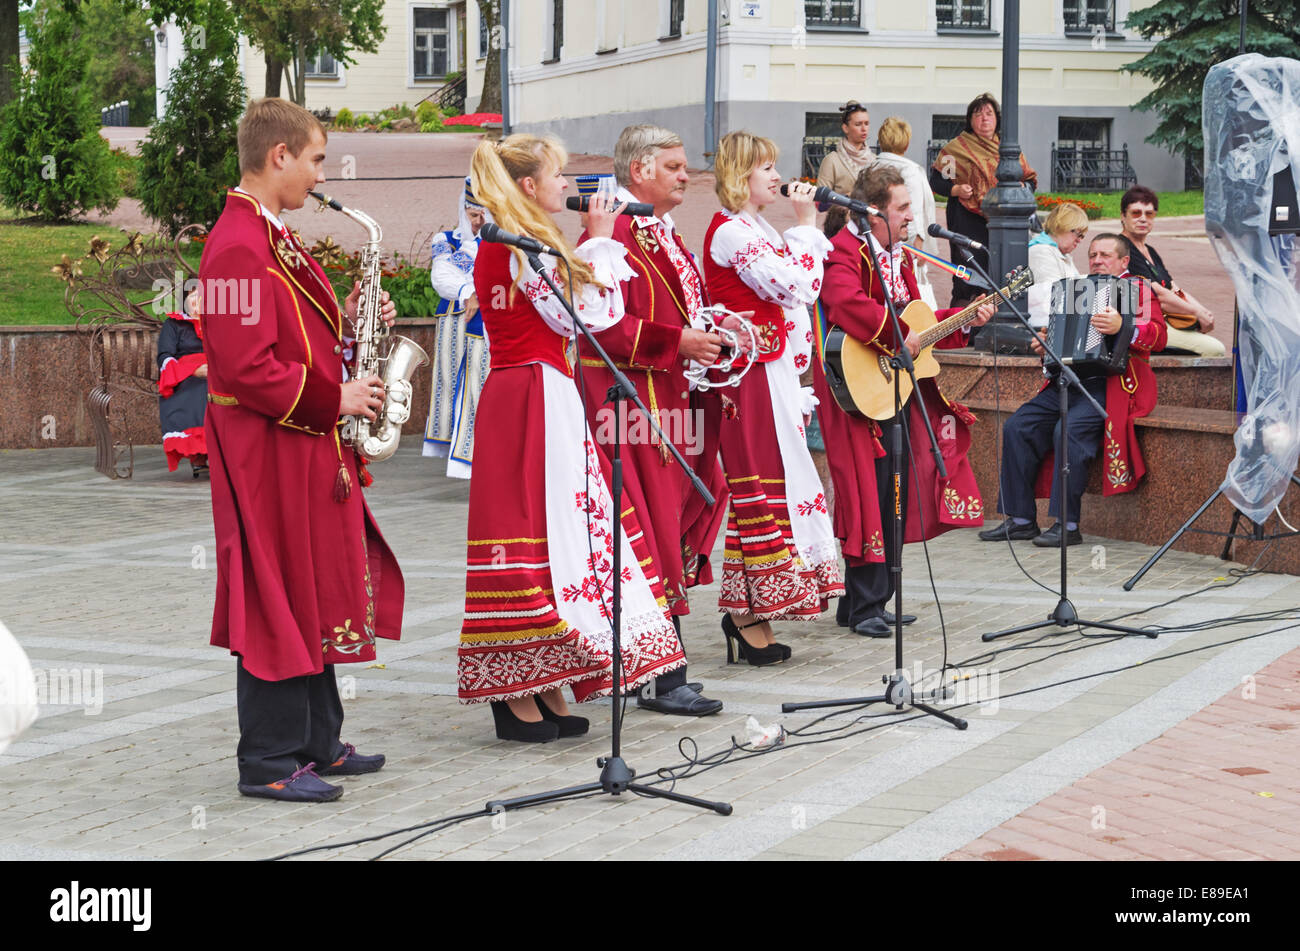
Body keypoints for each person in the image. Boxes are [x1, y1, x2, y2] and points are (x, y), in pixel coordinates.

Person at [200, 98, 404, 803]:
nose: (322, 175)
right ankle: (268, 760)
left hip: (297, 446)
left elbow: (291, 341)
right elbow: (243, 366)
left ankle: (318, 742)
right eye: (315, 159)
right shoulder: (235, 242)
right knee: (275, 594)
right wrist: (334, 400)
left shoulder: (268, 234)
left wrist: (350, 322)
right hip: (267, 452)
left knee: (308, 587)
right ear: (278, 155)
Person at [457, 133, 687, 742]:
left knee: (560, 531)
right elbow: (579, 315)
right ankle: (513, 691)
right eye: (559, 176)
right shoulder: (514, 245)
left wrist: (596, 246)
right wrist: (604, 242)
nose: (570, 186)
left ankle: (548, 678)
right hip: (526, 394)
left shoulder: (531, 241)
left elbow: (590, 315)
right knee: (531, 527)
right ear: (530, 186)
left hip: (546, 391)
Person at [574, 128, 733, 717]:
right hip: (630, 401)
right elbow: (604, 330)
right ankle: (664, 677)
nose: (684, 175)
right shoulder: (612, 232)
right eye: (672, 166)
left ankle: (655, 667)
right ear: (638, 171)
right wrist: (681, 341)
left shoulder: (659, 230)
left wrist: (710, 339)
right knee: (649, 528)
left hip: (669, 394)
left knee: (674, 517)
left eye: (683, 165)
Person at [814, 165, 993, 636]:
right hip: (855, 391)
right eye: (904, 209)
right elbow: (845, 303)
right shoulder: (844, 252)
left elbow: (919, 322)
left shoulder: (897, 257)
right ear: (874, 213)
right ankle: (866, 604)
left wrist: (966, 318)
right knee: (868, 493)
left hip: (893, 388)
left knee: (895, 488)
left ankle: (866, 601)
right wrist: (899, 335)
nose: (912, 218)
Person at [704, 130, 844, 665]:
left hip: (771, 368)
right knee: (761, 481)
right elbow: (798, 288)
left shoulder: (755, 226)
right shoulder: (731, 233)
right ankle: (745, 613)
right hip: (748, 374)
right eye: (765, 167)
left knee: (779, 476)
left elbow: (791, 295)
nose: (776, 176)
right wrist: (807, 226)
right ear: (741, 174)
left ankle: (749, 609)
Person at [979, 233, 1167, 547]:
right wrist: (1047, 343)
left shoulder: (1136, 289)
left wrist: (1124, 326)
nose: (1096, 260)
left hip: (1114, 384)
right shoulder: (1074, 288)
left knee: (1070, 429)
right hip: (1069, 378)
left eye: (1106, 255)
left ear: (1123, 261)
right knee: (1018, 426)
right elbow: (1062, 333)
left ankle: (1068, 525)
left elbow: (1158, 336)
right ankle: (1022, 520)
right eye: (1093, 254)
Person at [930, 92, 1038, 306]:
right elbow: (937, 182)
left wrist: (1022, 186)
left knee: (1001, 272)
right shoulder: (956, 149)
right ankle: (965, 326)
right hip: (967, 221)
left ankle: (997, 320)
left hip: (1003, 223)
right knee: (969, 276)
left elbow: (1030, 181)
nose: (984, 118)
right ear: (970, 120)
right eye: (978, 114)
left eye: (989, 114)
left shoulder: (1009, 149)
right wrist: (956, 189)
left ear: (997, 119)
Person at [423, 176, 491, 477]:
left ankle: (475, 450)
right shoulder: (446, 240)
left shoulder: (495, 238)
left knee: (477, 381)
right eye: (473, 215)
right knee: (451, 381)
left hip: (484, 323)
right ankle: (456, 446)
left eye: (483, 216)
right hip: (455, 320)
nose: (477, 222)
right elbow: (442, 278)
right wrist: (468, 292)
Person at [1119, 185, 1226, 357]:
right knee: (1214, 350)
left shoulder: (1149, 250)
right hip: (1144, 324)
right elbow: (1158, 295)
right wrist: (1195, 313)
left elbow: (1174, 288)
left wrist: (1203, 311)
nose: (1143, 219)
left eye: (1149, 214)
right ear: (1123, 216)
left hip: (1164, 320)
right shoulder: (1122, 248)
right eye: (1136, 213)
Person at [870, 116, 940, 309]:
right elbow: (914, 211)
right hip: (902, 246)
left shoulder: (869, 167)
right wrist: (918, 246)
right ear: (906, 142)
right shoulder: (910, 170)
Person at [157, 288, 209, 477]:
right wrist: (192, 370)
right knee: (198, 392)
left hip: (216, 372)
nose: (198, 301)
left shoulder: (218, 322)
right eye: (193, 296)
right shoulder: (173, 324)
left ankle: (228, 455)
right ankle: (199, 455)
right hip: (184, 376)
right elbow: (165, 355)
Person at [1026, 201, 1088, 328]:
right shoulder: (1041, 251)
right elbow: (1052, 296)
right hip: (1045, 327)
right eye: (1078, 234)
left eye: (1083, 236)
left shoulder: (1061, 254)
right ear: (1062, 226)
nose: (1080, 240)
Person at [817, 100, 873, 197]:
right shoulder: (832, 161)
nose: (864, 128)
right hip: (841, 212)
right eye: (858, 124)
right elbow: (820, 202)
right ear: (845, 128)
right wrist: (849, 197)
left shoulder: (874, 161)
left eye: (866, 123)